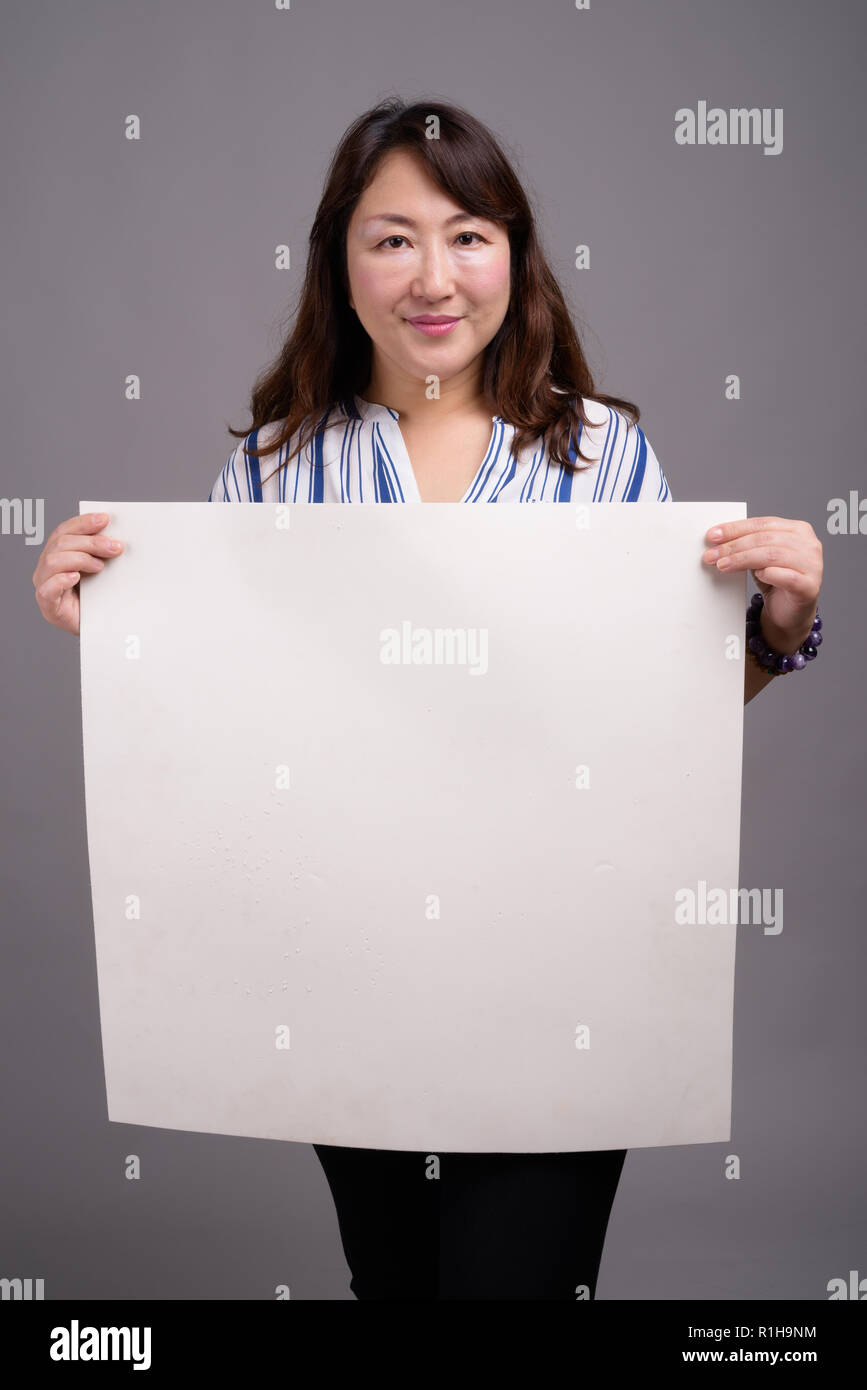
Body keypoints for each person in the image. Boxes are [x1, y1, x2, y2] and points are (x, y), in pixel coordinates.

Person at [32, 97, 824, 1300]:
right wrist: (115, 631)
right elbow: (230, 723)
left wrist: (779, 626)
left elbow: (669, 714)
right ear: (342, 266)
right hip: (350, 970)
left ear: (514, 254)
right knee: (396, 1289)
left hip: (560, 966)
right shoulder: (273, 469)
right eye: (392, 238)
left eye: (467, 234)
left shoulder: (601, 454)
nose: (433, 275)